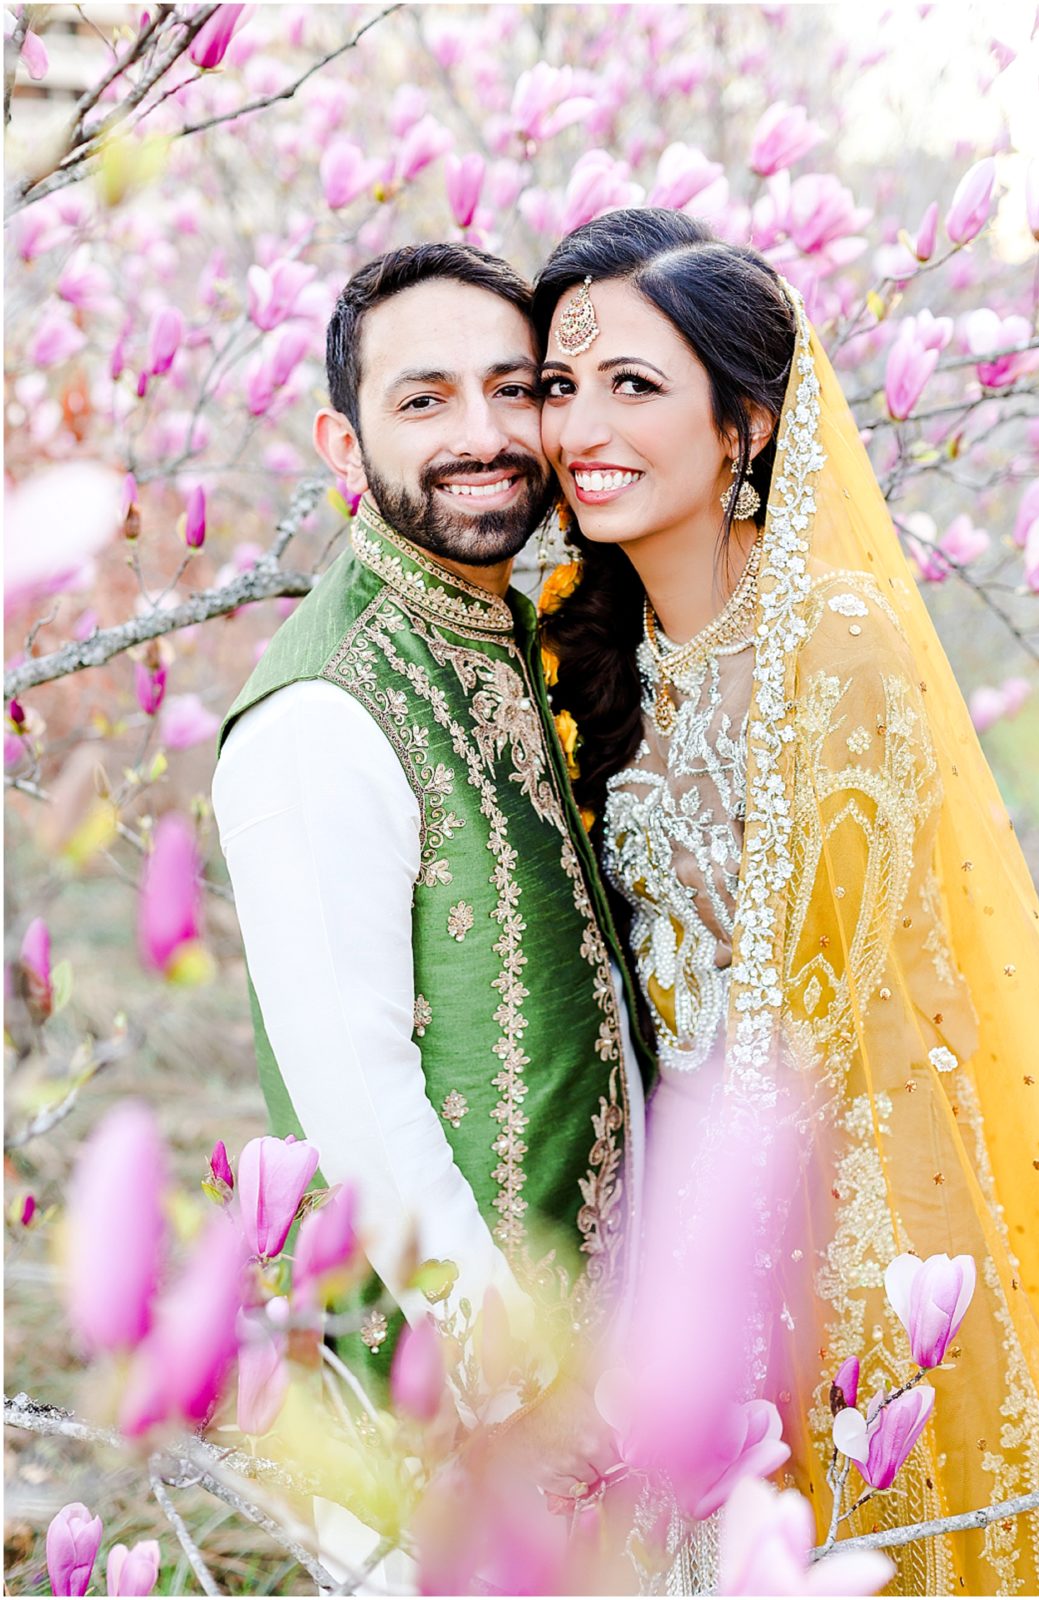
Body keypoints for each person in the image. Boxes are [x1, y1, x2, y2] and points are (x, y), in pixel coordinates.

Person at [534, 209, 1039, 1596]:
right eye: (560, 385)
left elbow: (819, 1013)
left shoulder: (832, 643)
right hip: (666, 1212)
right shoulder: (589, 646)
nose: (579, 425)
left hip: (838, 1217)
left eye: (633, 386)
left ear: (745, 428)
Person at [212, 242, 654, 1579]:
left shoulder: (501, 631)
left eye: (511, 389)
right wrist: (510, 1371)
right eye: (424, 400)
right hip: (453, 1418)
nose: (482, 436)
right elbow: (353, 1096)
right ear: (341, 440)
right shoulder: (321, 712)